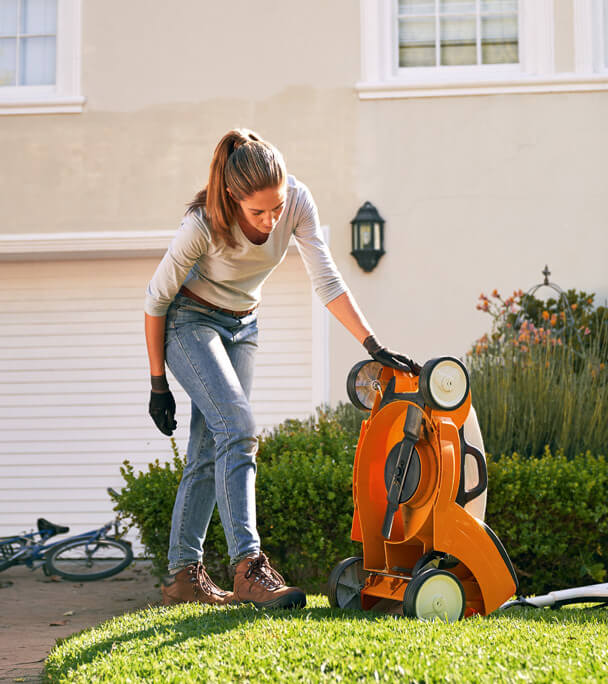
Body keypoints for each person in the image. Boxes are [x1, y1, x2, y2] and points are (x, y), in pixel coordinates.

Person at [144, 128, 418, 609]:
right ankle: (248, 567)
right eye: (258, 212)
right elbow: (155, 300)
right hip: (189, 323)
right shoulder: (201, 225)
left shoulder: (297, 201)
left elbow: (327, 280)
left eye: (277, 206)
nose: (271, 220)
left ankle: (183, 577)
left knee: (212, 444)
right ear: (231, 197)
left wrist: (373, 344)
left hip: (243, 326)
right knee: (240, 429)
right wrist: (157, 383)